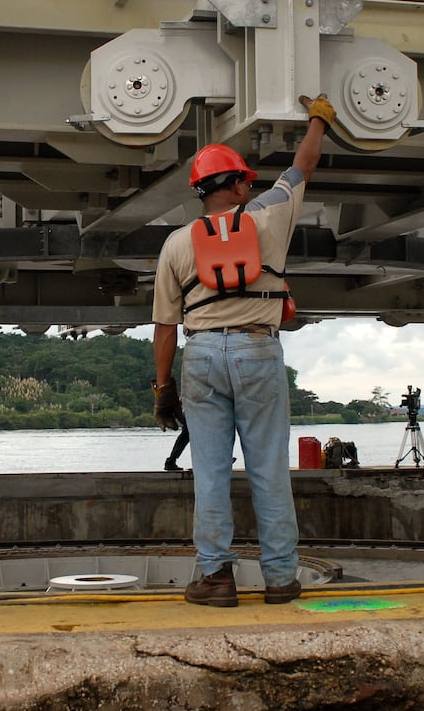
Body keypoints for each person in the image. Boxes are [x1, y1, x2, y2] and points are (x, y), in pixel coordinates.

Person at [150, 93, 333, 608]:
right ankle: (280, 579)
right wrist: (318, 121)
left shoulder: (176, 244)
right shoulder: (268, 216)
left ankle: (215, 578)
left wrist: (163, 390)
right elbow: (302, 166)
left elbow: (164, 328)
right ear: (234, 186)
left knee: (209, 473)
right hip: (257, 350)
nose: (250, 187)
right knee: (269, 469)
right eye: (245, 181)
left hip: (202, 355)